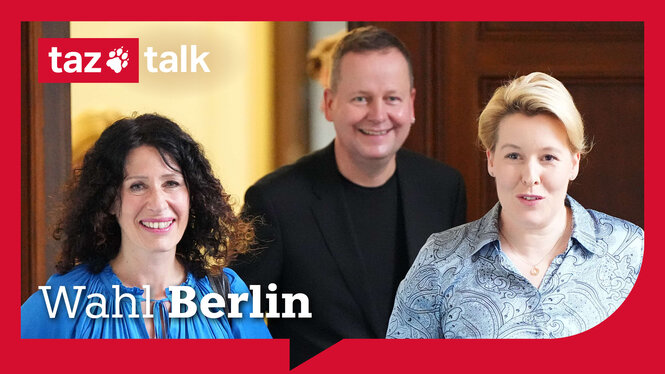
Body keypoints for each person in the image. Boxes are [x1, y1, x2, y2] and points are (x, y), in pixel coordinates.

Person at [232, 26, 466, 366]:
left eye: (392, 98)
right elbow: (230, 317)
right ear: (329, 104)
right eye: (361, 98)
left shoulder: (443, 188)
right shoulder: (275, 201)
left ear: (411, 104)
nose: (378, 114)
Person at [387, 72, 644, 339]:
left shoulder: (631, 251)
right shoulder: (440, 259)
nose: (530, 176)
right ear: (491, 160)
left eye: (548, 157)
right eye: (513, 155)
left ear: (574, 163)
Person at [21, 113, 271, 339]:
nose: (158, 203)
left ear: (192, 195)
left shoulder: (228, 294)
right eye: (137, 186)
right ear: (109, 201)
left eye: (171, 183)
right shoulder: (65, 300)